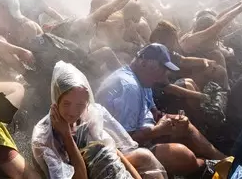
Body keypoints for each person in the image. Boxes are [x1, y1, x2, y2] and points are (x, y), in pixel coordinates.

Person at [96, 44, 226, 176]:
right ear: (143, 63)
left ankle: (223, 160)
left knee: (184, 125)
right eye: (161, 69)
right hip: (127, 151)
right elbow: (126, 140)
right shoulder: (129, 88)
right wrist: (158, 130)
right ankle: (208, 167)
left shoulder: (143, 80)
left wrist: (164, 118)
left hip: (146, 134)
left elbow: (152, 111)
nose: (163, 75)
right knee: (182, 156)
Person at [32, 61, 167, 179]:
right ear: (56, 100)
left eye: (80, 105)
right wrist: (66, 135)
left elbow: (114, 152)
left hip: (101, 169)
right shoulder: (44, 137)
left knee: (144, 156)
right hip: (80, 172)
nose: (73, 112)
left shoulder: (91, 113)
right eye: (66, 104)